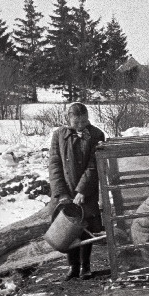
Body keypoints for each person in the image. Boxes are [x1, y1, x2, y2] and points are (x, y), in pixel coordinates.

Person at [48, 102, 106, 280]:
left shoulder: (96, 134)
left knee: (84, 226)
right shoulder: (58, 135)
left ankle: (85, 266)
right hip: (65, 190)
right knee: (66, 226)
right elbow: (54, 164)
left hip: (86, 191)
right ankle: (73, 266)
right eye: (76, 122)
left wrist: (82, 190)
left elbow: (93, 165)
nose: (80, 125)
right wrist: (62, 193)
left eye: (83, 121)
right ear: (68, 119)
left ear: (87, 118)